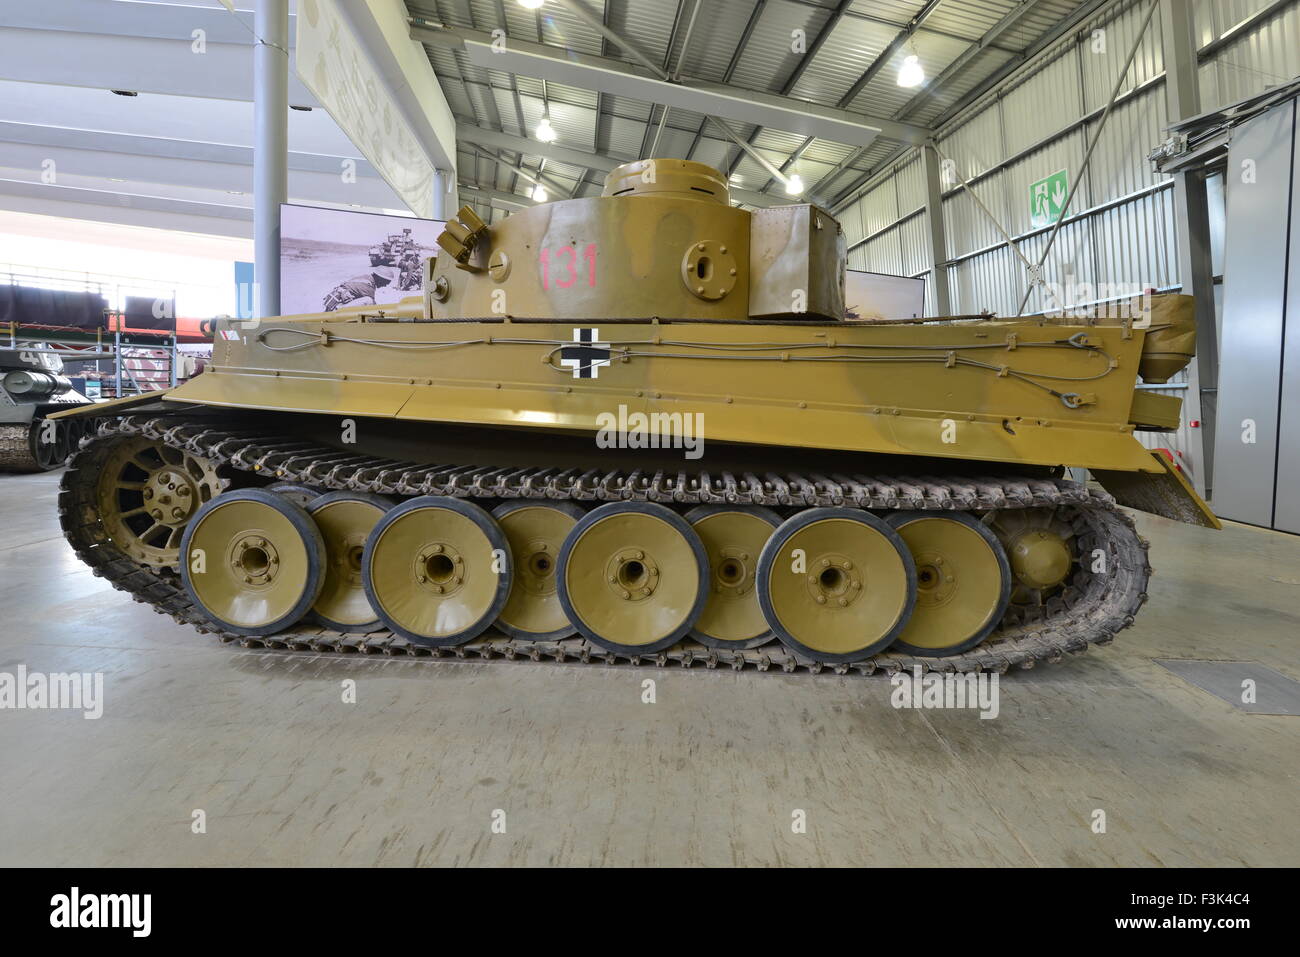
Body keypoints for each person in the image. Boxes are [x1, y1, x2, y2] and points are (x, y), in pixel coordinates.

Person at [323, 267, 397, 311]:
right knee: (369, 301)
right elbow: (374, 308)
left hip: (334, 303)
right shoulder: (368, 287)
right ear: (380, 278)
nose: (385, 285)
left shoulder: (366, 278)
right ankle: (339, 310)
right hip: (335, 308)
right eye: (386, 282)